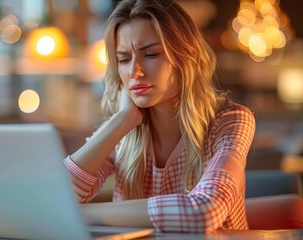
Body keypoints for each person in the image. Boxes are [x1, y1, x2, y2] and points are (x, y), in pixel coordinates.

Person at [64, 0, 255, 233]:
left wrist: (84, 213)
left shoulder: (230, 121)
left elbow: (204, 212)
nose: (135, 72)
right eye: (124, 59)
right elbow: (57, 197)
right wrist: (123, 119)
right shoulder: (120, 130)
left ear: (186, 56)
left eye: (151, 54)